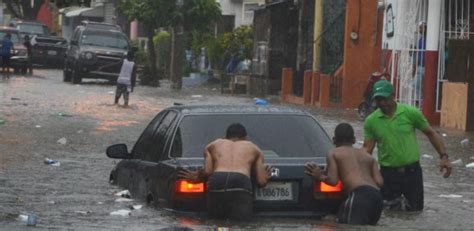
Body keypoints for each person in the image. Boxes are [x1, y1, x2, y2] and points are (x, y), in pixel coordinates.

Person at [363, 80, 452, 212]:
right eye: (378, 99)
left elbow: (431, 133)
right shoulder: (371, 121)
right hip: (388, 175)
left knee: (415, 212)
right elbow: (367, 149)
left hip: (412, 173)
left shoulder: (410, 113)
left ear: (393, 95)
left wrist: (443, 157)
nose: (382, 103)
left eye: (385, 99)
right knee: (389, 213)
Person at [178, 123, 272, 221]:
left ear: (225, 137)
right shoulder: (254, 148)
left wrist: (196, 177)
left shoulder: (213, 145)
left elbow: (207, 172)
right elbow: (261, 182)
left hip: (218, 179)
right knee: (241, 225)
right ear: (246, 138)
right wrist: (266, 175)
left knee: (217, 222)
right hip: (240, 181)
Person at [305, 123, 384, 225]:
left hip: (358, 196)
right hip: (377, 197)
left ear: (334, 140)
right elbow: (379, 182)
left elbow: (333, 181)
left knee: (349, 226)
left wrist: (319, 176)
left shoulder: (334, 153)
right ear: (354, 140)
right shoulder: (368, 156)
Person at [413, 21, 427, 104]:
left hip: (427, 66)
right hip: (420, 66)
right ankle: (418, 100)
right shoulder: (420, 40)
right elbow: (417, 52)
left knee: (425, 86)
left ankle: (422, 101)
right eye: (420, 27)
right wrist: (415, 65)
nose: (420, 29)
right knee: (417, 84)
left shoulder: (429, 40)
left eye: (422, 27)